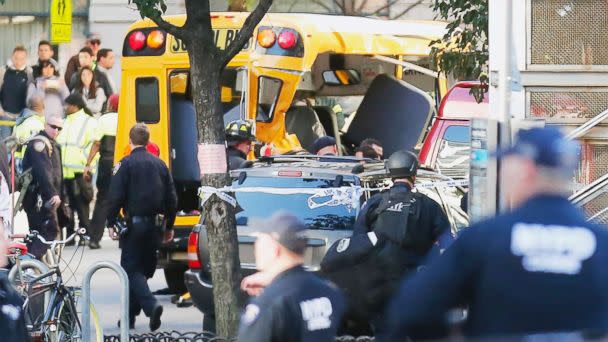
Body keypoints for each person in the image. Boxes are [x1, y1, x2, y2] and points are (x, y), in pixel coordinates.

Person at [384, 127, 608, 340]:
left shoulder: (485, 238)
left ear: (525, 169)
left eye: (506, 164)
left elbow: (411, 309)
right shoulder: (601, 244)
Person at [321, 150, 450, 333]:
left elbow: (359, 241)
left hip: (375, 287)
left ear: (390, 173)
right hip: (413, 285)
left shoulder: (374, 203)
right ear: (414, 174)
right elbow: (447, 245)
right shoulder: (428, 206)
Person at [107, 123, 177, 331]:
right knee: (142, 272)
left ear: (130, 141)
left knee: (131, 271)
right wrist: (169, 226)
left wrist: (111, 222)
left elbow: (115, 197)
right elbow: (171, 199)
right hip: (155, 227)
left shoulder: (125, 164)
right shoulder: (160, 165)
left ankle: (150, 305)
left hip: (134, 228)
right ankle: (128, 317)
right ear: (148, 141)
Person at [237, 212, 345, 342]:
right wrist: (276, 282)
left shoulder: (268, 304)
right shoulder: (329, 293)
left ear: (274, 249)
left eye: (260, 240)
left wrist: (274, 291)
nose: (255, 247)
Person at [56, 94, 99, 244]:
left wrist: (87, 165)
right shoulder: (65, 121)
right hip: (65, 171)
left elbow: (96, 145)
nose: (65, 107)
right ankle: (70, 236)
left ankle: (84, 234)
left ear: (76, 105)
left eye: (67, 104)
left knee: (82, 205)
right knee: (68, 206)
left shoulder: (89, 122)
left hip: (80, 171)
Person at [21, 116, 64, 259]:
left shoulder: (48, 142)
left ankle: (28, 268)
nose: (56, 130)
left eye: (59, 128)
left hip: (41, 196)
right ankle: (27, 264)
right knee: (48, 231)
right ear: (45, 124)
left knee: (38, 234)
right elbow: (42, 171)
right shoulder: (39, 143)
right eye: (53, 126)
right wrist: (52, 193)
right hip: (39, 197)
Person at [87, 94, 118, 249]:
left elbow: (97, 144)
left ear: (110, 105)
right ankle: (123, 237)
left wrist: (88, 164)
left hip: (106, 162)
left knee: (102, 200)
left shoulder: (104, 120)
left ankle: (94, 238)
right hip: (122, 163)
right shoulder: (128, 116)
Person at [0, 46, 33, 140]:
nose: (18, 61)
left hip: (22, 117)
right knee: (5, 144)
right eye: (16, 58)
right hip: (5, 115)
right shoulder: (3, 71)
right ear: (12, 57)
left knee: (20, 145)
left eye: (22, 58)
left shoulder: (30, 72)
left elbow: (32, 94)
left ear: (26, 59)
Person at [13, 96, 46, 173]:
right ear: (43, 107)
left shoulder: (20, 122)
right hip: (31, 163)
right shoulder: (38, 125)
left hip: (17, 162)